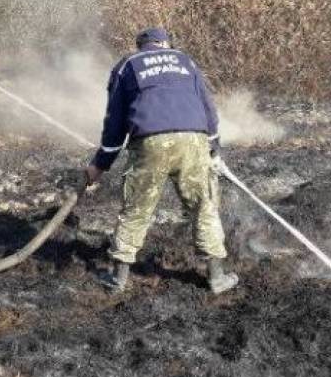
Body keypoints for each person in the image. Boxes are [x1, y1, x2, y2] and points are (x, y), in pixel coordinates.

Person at [85, 27, 238, 294]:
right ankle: (217, 277)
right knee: (204, 206)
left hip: (150, 143)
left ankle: (118, 278)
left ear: (140, 46)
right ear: (165, 44)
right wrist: (213, 148)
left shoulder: (127, 65)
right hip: (194, 141)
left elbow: (114, 123)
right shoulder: (185, 60)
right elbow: (208, 109)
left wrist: (100, 164)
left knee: (136, 209)